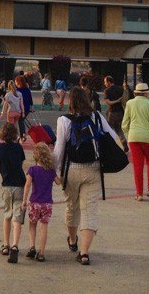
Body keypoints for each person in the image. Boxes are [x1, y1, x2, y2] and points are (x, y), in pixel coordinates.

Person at [53, 87, 120, 266]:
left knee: (71, 207)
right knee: (89, 210)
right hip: (93, 169)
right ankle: (84, 253)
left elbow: (59, 148)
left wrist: (55, 171)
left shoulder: (64, 120)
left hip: (71, 170)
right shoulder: (96, 116)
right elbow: (113, 137)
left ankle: (73, 240)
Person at [122, 82, 149, 202]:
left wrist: (129, 135)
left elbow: (124, 124)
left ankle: (139, 194)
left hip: (134, 137)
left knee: (138, 166)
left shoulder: (130, 103)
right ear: (146, 93)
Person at [22, 143, 61, 262]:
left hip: (35, 202)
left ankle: (32, 246)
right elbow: (58, 182)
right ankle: (42, 252)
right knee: (44, 227)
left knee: (32, 225)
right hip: (47, 203)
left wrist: (24, 200)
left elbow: (27, 185)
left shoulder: (32, 170)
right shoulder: (51, 171)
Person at [0, 122, 26, 264]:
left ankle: (6, 244)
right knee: (17, 216)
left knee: (7, 215)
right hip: (19, 183)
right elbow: (20, 163)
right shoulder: (18, 147)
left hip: (6, 184)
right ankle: (15, 245)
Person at [103, 75, 127, 151]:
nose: (104, 83)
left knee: (109, 129)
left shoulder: (107, 90)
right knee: (119, 129)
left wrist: (116, 101)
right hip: (121, 112)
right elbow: (125, 100)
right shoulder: (120, 89)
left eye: (105, 82)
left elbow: (108, 102)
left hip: (112, 113)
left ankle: (110, 146)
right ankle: (123, 141)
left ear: (109, 82)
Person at [16, 75, 34, 143]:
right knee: (21, 121)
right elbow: (30, 100)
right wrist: (32, 107)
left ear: (18, 82)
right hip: (27, 108)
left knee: (20, 121)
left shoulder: (18, 90)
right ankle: (22, 135)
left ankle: (22, 135)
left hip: (20, 108)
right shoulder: (27, 90)